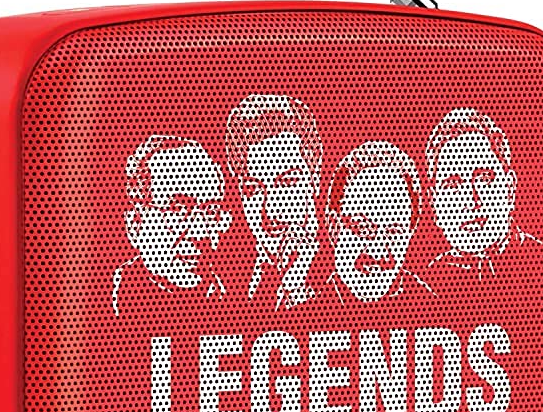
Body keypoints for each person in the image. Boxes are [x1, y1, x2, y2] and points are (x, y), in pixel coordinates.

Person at [112, 134, 231, 317]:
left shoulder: (234, 303)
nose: (200, 233)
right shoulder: (105, 307)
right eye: (178, 209)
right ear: (135, 225)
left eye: (210, 211)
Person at [224, 94, 322, 310]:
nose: (270, 212)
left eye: (287, 183)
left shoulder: (345, 274)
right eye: (253, 190)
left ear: (314, 179)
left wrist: (296, 290)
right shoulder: (226, 283)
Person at [424, 108, 541, 286]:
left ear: (510, 189)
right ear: (434, 204)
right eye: (452, 185)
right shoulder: (428, 281)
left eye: (484, 179)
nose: (471, 201)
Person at [324, 141, 434, 304]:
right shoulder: (308, 310)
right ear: (334, 227)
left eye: (394, 232)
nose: (378, 252)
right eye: (363, 228)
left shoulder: (429, 305)